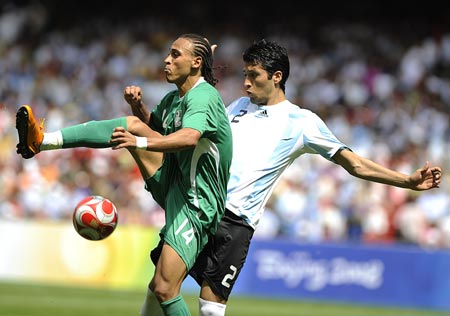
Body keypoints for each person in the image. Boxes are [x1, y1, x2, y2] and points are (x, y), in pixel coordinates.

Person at [16, 38, 442, 316]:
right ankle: (45, 139)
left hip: (235, 220)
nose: (246, 82)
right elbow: (175, 135)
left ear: (276, 77)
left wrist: (406, 181)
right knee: (160, 285)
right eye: (244, 74)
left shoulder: (302, 121)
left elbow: (353, 163)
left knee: (208, 308)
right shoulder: (232, 107)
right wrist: (144, 118)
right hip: (198, 202)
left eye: (254, 76)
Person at [15, 33, 233, 316]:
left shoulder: (204, 96)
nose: (167, 59)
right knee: (131, 124)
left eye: (175, 54)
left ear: (196, 63)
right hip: (176, 181)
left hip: (197, 202)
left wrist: (138, 143)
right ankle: (42, 141)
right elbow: (158, 128)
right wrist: (139, 109)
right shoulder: (174, 99)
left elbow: (189, 137)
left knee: (164, 287)